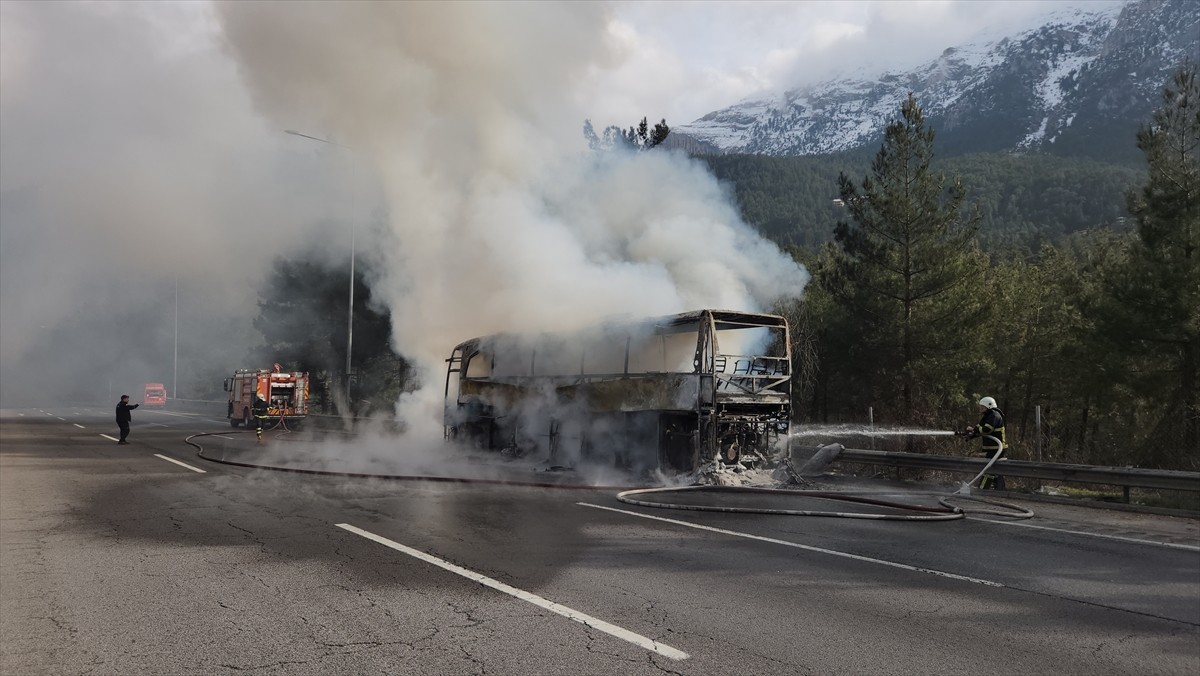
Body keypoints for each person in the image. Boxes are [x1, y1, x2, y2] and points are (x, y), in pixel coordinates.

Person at [964, 396, 1006, 490]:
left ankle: (982, 490)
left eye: (982, 407)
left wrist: (973, 429)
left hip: (997, 448)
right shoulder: (987, 416)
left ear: (989, 406)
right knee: (996, 470)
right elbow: (979, 429)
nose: (980, 409)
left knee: (988, 469)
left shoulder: (994, 415)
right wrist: (970, 435)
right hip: (993, 448)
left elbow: (987, 430)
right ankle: (1000, 490)